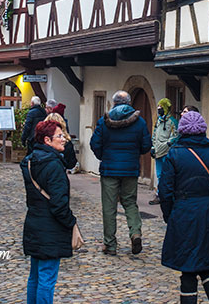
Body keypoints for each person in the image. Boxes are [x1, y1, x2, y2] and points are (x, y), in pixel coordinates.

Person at [159, 110, 209, 304]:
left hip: (184, 211)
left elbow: (165, 191)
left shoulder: (175, 154)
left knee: (188, 265)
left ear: (182, 130)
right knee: (206, 262)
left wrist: (169, 215)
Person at [21, 119, 77, 304]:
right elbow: (59, 205)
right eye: (59, 136)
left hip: (35, 223)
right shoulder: (53, 165)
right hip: (50, 228)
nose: (63, 139)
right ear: (47, 140)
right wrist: (71, 222)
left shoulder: (31, 161)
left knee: (35, 276)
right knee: (46, 278)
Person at [90, 90, 151, 256]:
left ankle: (110, 244)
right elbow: (146, 146)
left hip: (109, 169)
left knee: (109, 207)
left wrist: (104, 156)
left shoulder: (104, 121)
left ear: (114, 103)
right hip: (130, 169)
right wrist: (134, 153)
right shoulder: (139, 123)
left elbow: (95, 143)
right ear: (130, 103)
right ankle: (135, 233)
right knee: (130, 202)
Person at [150, 98, 177, 205]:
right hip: (158, 152)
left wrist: (168, 144)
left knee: (168, 175)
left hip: (167, 152)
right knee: (159, 174)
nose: (159, 109)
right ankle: (159, 195)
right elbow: (155, 135)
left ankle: (168, 195)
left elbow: (175, 135)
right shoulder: (159, 121)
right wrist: (153, 147)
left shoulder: (172, 122)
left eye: (161, 107)